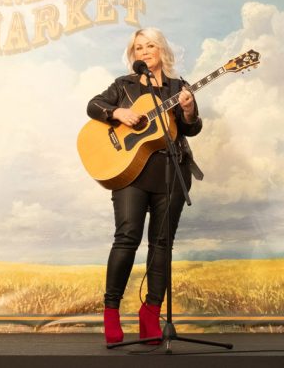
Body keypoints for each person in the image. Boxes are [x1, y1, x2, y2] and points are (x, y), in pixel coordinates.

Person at [87, 28, 203, 345]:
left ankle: (151, 312)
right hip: (130, 173)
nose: (144, 51)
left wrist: (189, 110)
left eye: (150, 45)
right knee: (127, 237)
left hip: (171, 169)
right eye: (138, 47)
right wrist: (117, 112)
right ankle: (111, 312)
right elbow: (93, 106)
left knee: (161, 243)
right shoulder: (123, 86)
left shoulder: (179, 88)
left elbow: (192, 128)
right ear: (133, 54)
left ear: (161, 50)